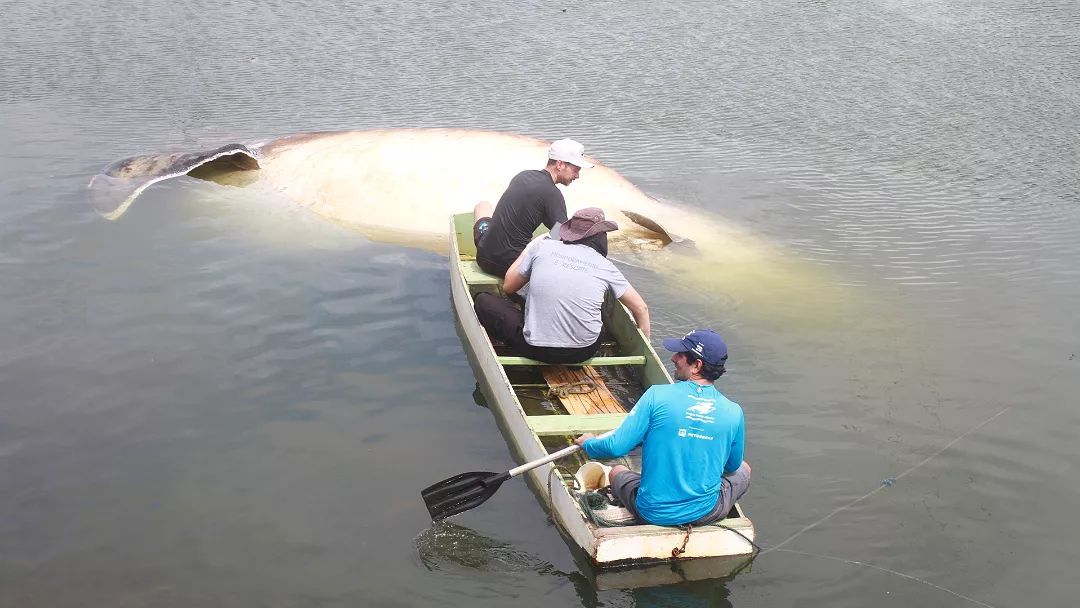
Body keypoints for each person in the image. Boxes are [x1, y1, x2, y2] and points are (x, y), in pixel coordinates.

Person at [574, 329, 751, 527]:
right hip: (706, 513)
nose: (674, 358)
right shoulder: (734, 412)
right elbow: (732, 466)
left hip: (653, 513)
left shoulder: (656, 395)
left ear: (696, 365)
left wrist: (588, 443)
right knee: (745, 468)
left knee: (616, 471)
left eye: (680, 355)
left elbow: (614, 448)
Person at [474, 208, 650, 364]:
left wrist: (527, 251)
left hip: (535, 349)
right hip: (584, 351)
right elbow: (641, 308)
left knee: (483, 300)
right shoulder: (605, 266)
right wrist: (645, 350)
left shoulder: (542, 247)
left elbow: (508, 287)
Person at [472, 138, 594, 278]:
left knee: (483, 206)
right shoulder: (552, 193)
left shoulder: (523, 175)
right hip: (510, 267)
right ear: (560, 164)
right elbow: (562, 236)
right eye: (576, 169)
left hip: (483, 256)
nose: (577, 175)